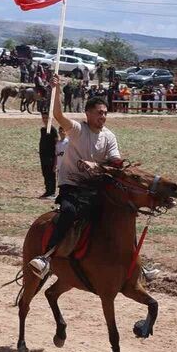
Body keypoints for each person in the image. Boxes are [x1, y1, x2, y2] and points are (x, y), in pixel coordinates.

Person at [28, 75, 121, 278]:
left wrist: (97, 165)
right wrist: (57, 89)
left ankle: (132, 262)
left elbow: (116, 164)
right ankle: (46, 256)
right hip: (72, 185)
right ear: (87, 114)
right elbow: (58, 114)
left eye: (105, 113)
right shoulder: (78, 130)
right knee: (69, 212)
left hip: (95, 188)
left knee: (121, 214)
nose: (103, 117)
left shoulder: (110, 136)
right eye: (99, 113)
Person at [38, 112, 58, 199]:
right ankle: (47, 191)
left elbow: (56, 142)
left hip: (51, 156)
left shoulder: (53, 130)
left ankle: (52, 192)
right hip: (43, 156)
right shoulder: (43, 130)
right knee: (45, 173)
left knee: (50, 173)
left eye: (46, 118)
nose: (45, 120)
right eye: (43, 118)